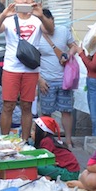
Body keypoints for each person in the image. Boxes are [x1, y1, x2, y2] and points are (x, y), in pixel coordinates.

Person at [0, 0, 54, 141]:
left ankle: (25, 141)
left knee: (27, 106)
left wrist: (41, 16)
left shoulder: (37, 18)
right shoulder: (9, 19)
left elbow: (50, 30)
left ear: (33, 0)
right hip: (11, 68)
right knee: (8, 106)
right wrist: (4, 14)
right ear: (15, 0)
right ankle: (4, 140)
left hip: (31, 70)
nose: (25, 1)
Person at [36, 8, 81, 149]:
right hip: (46, 80)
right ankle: (46, 141)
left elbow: (74, 46)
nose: (47, 27)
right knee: (46, 112)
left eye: (49, 23)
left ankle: (68, 140)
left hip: (65, 79)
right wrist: (39, 79)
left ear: (53, 20)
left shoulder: (63, 31)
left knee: (66, 111)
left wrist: (68, 53)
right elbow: (31, 61)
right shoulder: (36, 34)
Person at [33, 116, 80, 181]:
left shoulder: (46, 141)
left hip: (70, 173)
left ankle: (49, 177)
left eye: (34, 130)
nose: (31, 133)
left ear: (44, 132)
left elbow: (44, 161)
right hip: (70, 170)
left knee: (36, 166)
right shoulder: (48, 140)